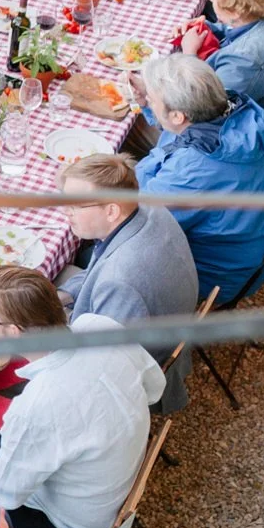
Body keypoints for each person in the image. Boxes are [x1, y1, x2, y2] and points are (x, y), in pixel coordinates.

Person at [0, 266, 164, 528]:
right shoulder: (98, 326)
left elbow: (4, 496)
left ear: (14, 333)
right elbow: (155, 389)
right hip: (102, 488)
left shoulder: (38, 405)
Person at [56, 151, 199, 413]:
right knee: (57, 279)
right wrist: (62, 296)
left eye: (75, 205)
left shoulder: (120, 283)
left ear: (111, 211)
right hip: (165, 324)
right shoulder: (147, 208)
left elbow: (98, 366)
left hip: (131, 374)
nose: (67, 213)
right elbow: (98, 266)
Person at [135, 52, 264, 305]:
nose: (149, 98)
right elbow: (181, 140)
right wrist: (150, 107)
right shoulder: (246, 112)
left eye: (153, 99)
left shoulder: (193, 171)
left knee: (87, 249)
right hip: (246, 245)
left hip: (205, 275)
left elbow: (136, 220)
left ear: (179, 116)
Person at [199, 0, 264, 131]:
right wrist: (207, 28)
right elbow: (241, 30)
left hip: (238, 135)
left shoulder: (244, 61)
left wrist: (189, 54)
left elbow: (205, 112)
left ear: (236, 12)